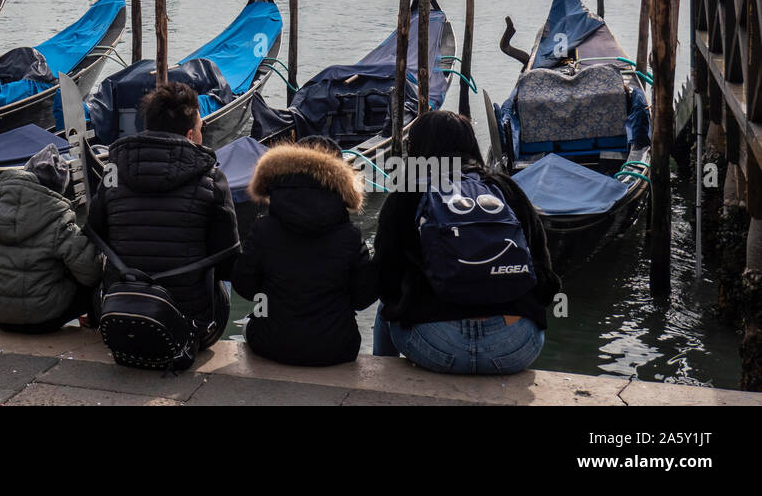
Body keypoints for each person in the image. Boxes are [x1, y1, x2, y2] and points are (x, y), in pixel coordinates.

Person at [371, 110, 560, 375]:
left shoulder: (406, 195)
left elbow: (383, 279)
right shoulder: (505, 188)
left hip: (436, 347)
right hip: (515, 348)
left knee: (386, 306)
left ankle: (382, 379)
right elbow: (546, 277)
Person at [86, 81, 239, 349]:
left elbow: (95, 233)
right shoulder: (212, 178)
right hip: (192, 328)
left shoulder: (112, 170)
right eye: (202, 128)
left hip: (117, 317)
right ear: (191, 135)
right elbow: (228, 263)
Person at [231, 139, 378, 366]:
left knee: (257, 318)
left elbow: (245, 287)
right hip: (338, 347)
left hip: (270, 343)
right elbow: (361, 299)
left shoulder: (264, 229)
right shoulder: (350, 235)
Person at [0, 143, 100, 333]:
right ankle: (92, 327)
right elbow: (91, 272)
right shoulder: (60, 218)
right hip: (43, 319)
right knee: (94, 283)